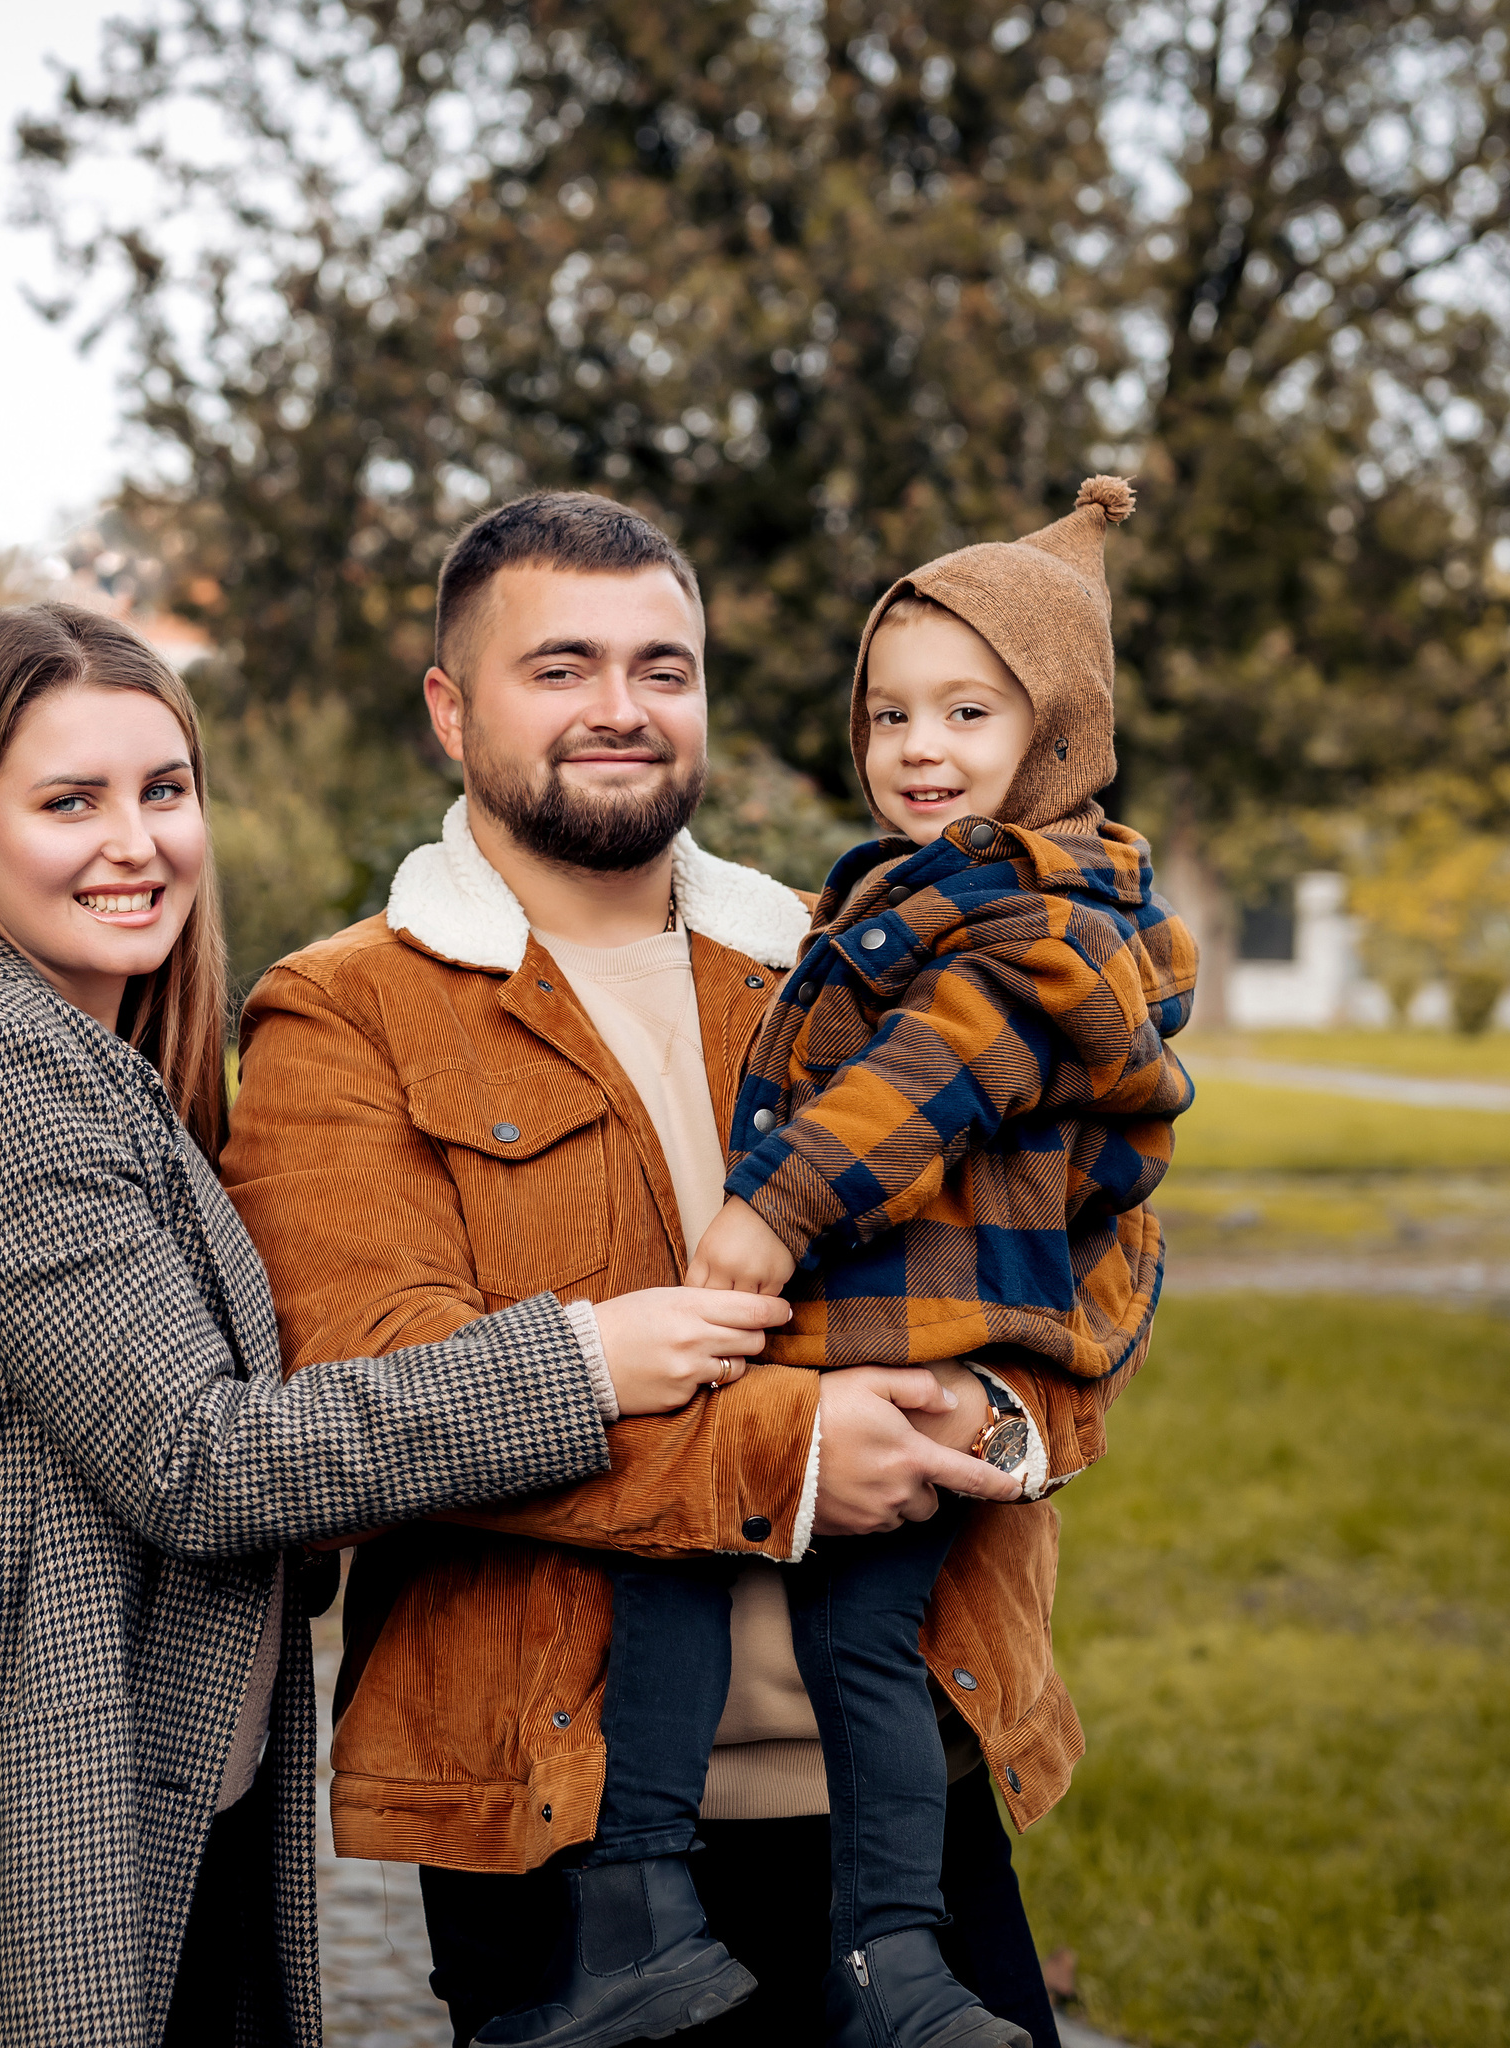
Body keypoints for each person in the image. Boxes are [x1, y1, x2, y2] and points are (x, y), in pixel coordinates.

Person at [0, 600, 798, 2048]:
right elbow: (201, 1461)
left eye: (164, 791)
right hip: (34, 1796)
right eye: (70, 802)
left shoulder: (97, 1056)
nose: (137, 842)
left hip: (149, 1783)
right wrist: (578, 1360)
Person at [220, 493, 1143, 2046]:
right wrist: (791, 1458)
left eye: (664, 667)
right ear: (452, 709)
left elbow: (1093, 1244)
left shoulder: (847, 954)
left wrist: (1000, 1426)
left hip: (910, 1768)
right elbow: (374, 1395)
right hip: (566, 1823)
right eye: (561, 666)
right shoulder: (347, 1012)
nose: (621, 711)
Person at [471, 479, 1197, 2048]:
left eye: (966, 715)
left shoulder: (1017, 923)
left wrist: (803, 1237)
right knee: (673, 1556)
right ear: (451, 706)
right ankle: (654, 1906)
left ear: (1054, 741)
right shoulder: (885, 907)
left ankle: (879, 1955)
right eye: (889, 715)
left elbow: (937, 1097)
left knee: (845, 1629)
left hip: (894, 1339)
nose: (919, 749)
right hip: (809, 1386)